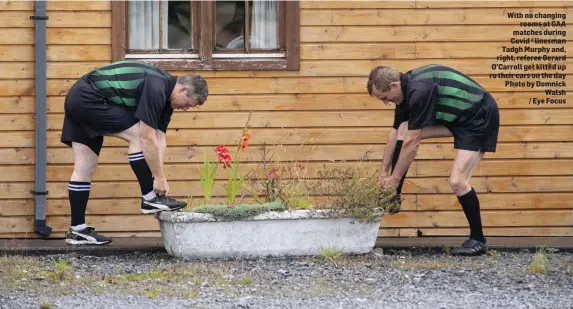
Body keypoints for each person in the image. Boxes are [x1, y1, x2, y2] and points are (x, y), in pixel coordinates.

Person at [60, 60, 209, 245]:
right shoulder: (157, 87)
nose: (186, 109)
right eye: (188, 104)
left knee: (85, 166)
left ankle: (78, 230)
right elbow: (147, 138)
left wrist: (159, 180)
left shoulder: (166, 100)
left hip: (79, 98)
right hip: (88, 98)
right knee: (139, 136)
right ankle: (148, 198)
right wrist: (156, 185)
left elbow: (159, 141)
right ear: (183, 90)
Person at [368, 64, 500, 256]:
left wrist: (394, 178)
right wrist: (383, 173)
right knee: (404, 130)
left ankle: (478, 240)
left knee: (458, 181)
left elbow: (412, 143)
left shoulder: (418, 92)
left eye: (386, 98)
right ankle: (394, 196)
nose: (386, 102)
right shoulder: (404, 95)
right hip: (458, 119)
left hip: (479, 118)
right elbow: (395, 133)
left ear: (395, 86)